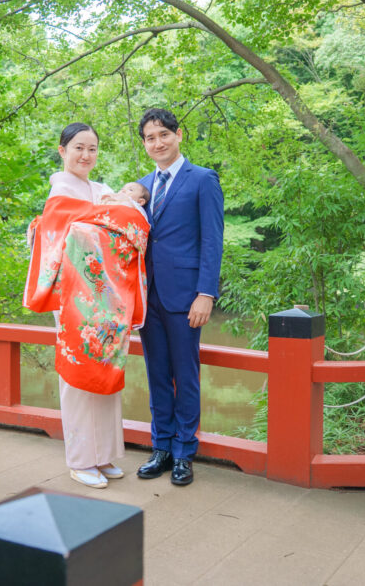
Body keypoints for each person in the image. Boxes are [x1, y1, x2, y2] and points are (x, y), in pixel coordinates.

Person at [23, 122, 150, 489]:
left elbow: (137, 225)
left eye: (92, 149)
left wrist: (107, 222)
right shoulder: (60, 192)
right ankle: (81, 461)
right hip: (75, 299)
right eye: (79, 147)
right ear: (62, 150)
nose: (86, 155)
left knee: (107, 369)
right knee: (79, 376)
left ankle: (104, 455)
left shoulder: (102, 190)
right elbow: (66, 236)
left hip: (108, 299)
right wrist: (107, 222)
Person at [135, 108, 223, 486]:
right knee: (156, 373)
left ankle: (185, 451)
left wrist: (206, 293)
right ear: (144, 144)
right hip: (147, 295)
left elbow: (212, 240)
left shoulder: (202, 179)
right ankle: (161, 447)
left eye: (164, 135)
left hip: (186, 295)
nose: (158, 143)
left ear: (179, 135)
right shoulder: (141, 187)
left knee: (185, 374)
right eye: (150, 138)